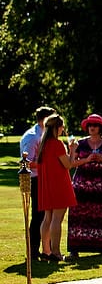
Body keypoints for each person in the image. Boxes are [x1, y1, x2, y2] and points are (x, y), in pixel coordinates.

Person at [68, 113, 102, 260]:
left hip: (101, 184)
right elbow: (71, 163)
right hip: (81, 184)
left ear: (100, 128)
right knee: (78, 215)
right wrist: (86, 159)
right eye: (90, 125)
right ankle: (75, 248)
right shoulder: (81, 143)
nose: (92, 127)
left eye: (95, 125)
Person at [35, 113, 76, 263]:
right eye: (61, 127)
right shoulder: (57, 144)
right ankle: (56, 252)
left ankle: (46, 250)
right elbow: (68, 165)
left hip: (47, 185)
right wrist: (72, 150)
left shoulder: (43, 145)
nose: (62, 130)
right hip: (59, 184)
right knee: (56, 219)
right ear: (57, 128)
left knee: (48, 218)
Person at [20, 105, 56, 260]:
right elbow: (26, 162)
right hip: (35, 179)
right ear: (44, 119)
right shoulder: (33, 136)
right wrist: (49, 164)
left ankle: (45, 249)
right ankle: (33, 250)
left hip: (44, 178)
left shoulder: (43, 134)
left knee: (46, 215)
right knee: (38, 215)